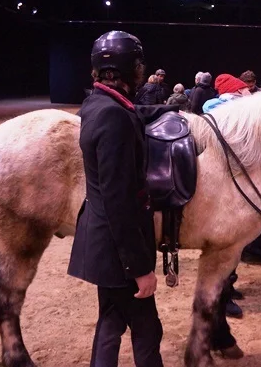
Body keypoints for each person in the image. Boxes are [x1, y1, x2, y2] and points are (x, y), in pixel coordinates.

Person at [68, 30, 170, 367]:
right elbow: (120, 201)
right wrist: (140, 269)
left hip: (103, 247)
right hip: (118, 254)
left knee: (111, 322)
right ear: (134, 69)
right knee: (147, 329)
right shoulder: (115, 117)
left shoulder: (97, 104)